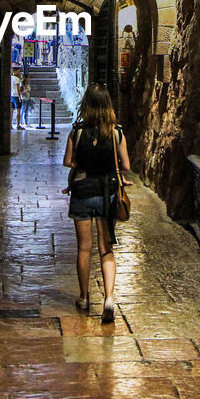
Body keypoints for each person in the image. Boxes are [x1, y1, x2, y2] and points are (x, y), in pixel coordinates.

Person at [60, 83, 132, 322]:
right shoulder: (116, 132)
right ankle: (109, 298)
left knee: (84, 248)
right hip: (106, 192)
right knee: (106, 248)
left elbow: (68, 161)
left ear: (87, 104)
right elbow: (126, 166)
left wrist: (83, 164)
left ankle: (83, 297)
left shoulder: (77, 131)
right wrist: (113, 170)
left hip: (82, 192)